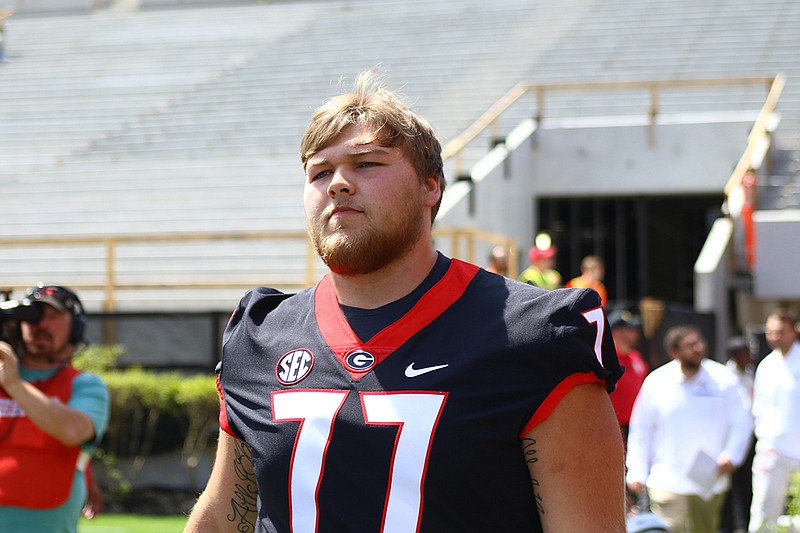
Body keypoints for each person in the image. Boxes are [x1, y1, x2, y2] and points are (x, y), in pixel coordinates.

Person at [186, 71, 626, 532]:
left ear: (430, 187)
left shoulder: (536, 333)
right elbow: (221, 517)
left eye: (367, 164)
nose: (337, 184)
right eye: (319, 172)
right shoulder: (259, 334)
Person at [0, 284, 110, 533]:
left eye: (53, 317)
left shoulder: (85, 385)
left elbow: (73, 431)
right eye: (34, 316)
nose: (41, 325)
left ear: (76, 328)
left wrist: (14, 385)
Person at [625, 324, 753, 533]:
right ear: (673, 352)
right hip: (667, 482)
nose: (698, 348)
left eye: (699, 343)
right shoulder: (657, 382)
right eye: (690, 345)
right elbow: (641, 430)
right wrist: (637, 471)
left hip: (710, 482)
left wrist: (732, 455)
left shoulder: (723, 379)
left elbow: (742, 421)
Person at [748, 308, 800, 532]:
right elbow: (759, 410)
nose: (774, 337)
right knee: (762, 516)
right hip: (772, 453)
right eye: (770, 332)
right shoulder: (765, 366)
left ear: (793, 332)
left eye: (780, 332)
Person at [720, 336, 756, 533]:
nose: (748, 356)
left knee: (747, 486)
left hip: (750, 438)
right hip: (730, 439)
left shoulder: (750, 373)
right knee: (729, 487)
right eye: (743, 353)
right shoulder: (726, 377)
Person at [607, 309, 648, 444]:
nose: (636, 333)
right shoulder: (606, 359)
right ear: (616, 332)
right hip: (612, 426)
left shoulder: (636, 357)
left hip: (636, 425)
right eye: (630, 329)